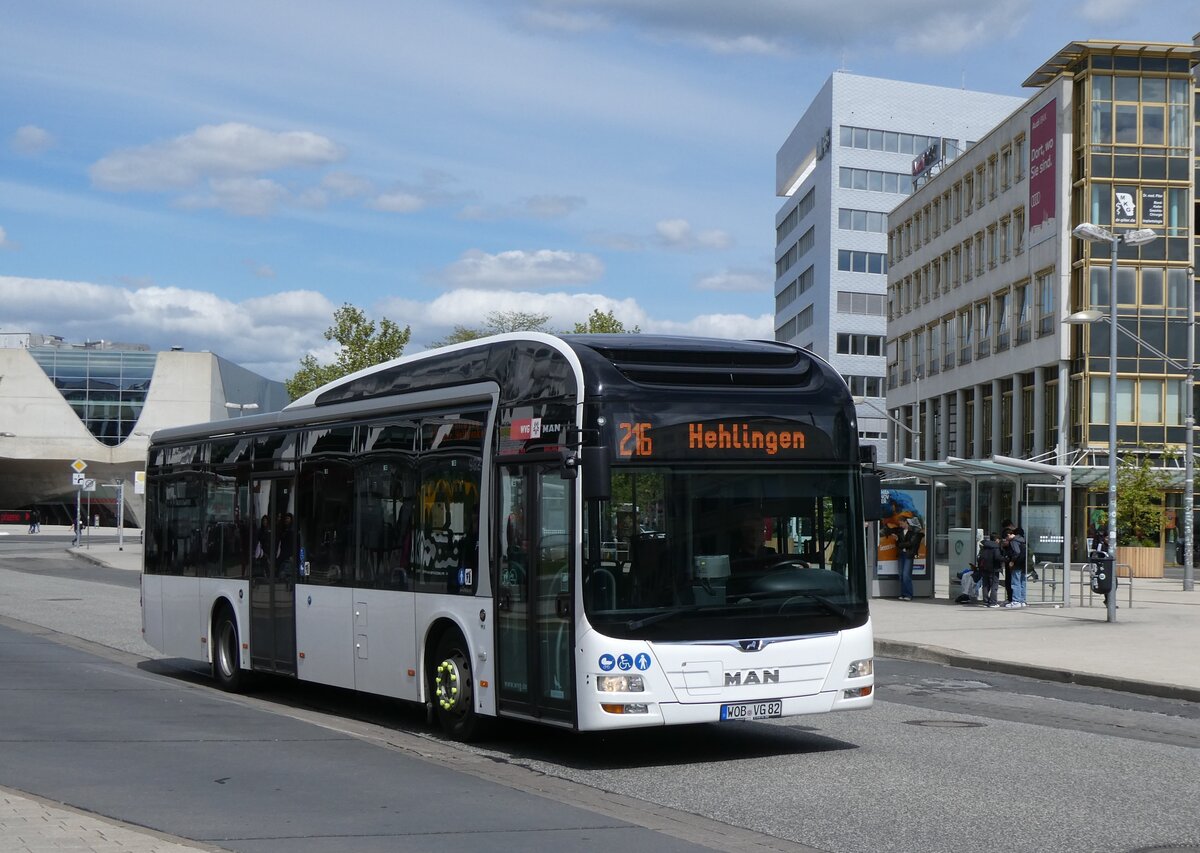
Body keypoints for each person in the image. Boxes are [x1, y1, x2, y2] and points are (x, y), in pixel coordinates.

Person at [894, 516, 923, 600]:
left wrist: (900, 543)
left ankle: (908, 594)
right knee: (901, 575)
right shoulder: (900, 531)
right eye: (900, 524)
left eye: (902, 523)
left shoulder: (913, 531)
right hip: (901, 554)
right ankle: (903, 593)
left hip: (908, 555)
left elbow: (910, 543)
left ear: (906, 522)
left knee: (906, 575)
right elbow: (899, 544)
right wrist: (897, 541)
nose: (901, 525)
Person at [974, 533, 1003, 607]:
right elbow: (997, 557)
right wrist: (1005, 559)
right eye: (999, 540)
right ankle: (993, 602)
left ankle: (985, 601)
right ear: (996, 539)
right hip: (994, 569)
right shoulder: (995, 547)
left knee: (985, 585)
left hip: (984, 569)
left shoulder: (984, 546)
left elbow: (979, 558)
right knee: (994, 585)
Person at [1003, 526, 1028, 608]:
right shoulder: (1022, 540)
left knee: (1015, 582)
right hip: (1024, 563)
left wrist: (1012, 561)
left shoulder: (1013, 541)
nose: (1006, 540)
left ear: (1008, 535)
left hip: (1017, 564)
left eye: (1006, 538)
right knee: (1022, 582)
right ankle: (1022, 600)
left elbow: (1016, 552)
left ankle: (1016, 601)